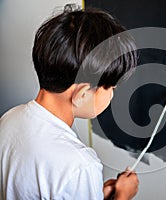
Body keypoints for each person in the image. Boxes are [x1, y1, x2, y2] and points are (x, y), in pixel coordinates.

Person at [0, 5, 138, 200]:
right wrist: (123, 196)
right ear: (82, 94)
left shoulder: (9, 118)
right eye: (111, 88)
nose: (112, 95)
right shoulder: (80, 165)